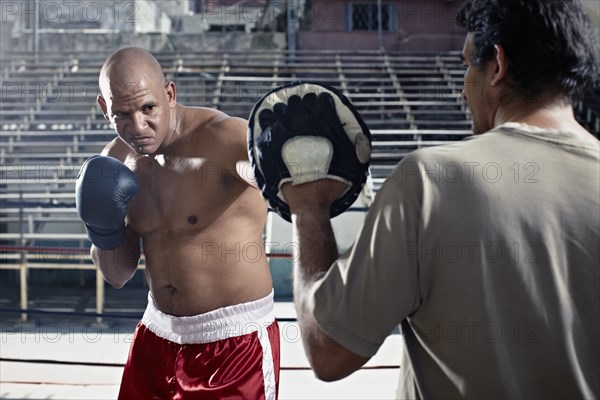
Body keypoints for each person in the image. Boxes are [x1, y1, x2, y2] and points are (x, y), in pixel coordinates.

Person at [265, 0, 599, 398]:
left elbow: (328, 350)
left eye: (466, 66)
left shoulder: (429, 181)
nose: (462, 91)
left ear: (497, 65)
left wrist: (307, 207)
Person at [75, 47, 279, 400]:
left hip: (232, 345)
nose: (138, 127)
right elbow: (118, 275)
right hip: (156, 334)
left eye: (148, 108)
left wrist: (284, 167)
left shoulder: (228, 138)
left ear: (169, 94)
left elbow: (273, 177)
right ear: (104, 108)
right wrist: (102, 229)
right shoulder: (116, 160)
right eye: (121, 114)